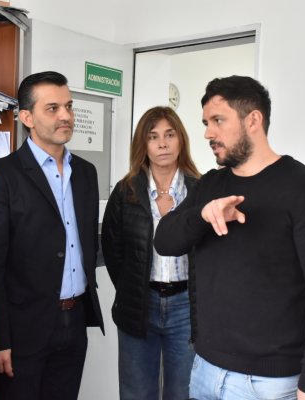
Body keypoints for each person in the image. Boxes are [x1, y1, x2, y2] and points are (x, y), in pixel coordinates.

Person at [154, 76, 305, 400]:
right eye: (206, 122)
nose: (207, 133)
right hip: (204, 368)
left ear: (253, 120)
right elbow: (165, 241)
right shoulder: (210, 186)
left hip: (269, 385)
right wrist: (203, 214)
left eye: (218, 120)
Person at [0, 71, 104, 400]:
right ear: (27, 117)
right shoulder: (2, 176)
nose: (66, 116)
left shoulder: (86, 173)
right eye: (53, 108)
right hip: (23, 328)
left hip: (74, 321)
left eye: (69, 106)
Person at [101, 106, 200, 400]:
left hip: (186, 307)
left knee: (183, 393)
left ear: (180, 139)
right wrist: (134, 287)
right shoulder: (125, 191)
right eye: (153, 137)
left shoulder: (202, 189)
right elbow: (112, 249)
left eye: (170, 135)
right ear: (143, 145)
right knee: (136, 392)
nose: (163, 144)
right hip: (139, 303)